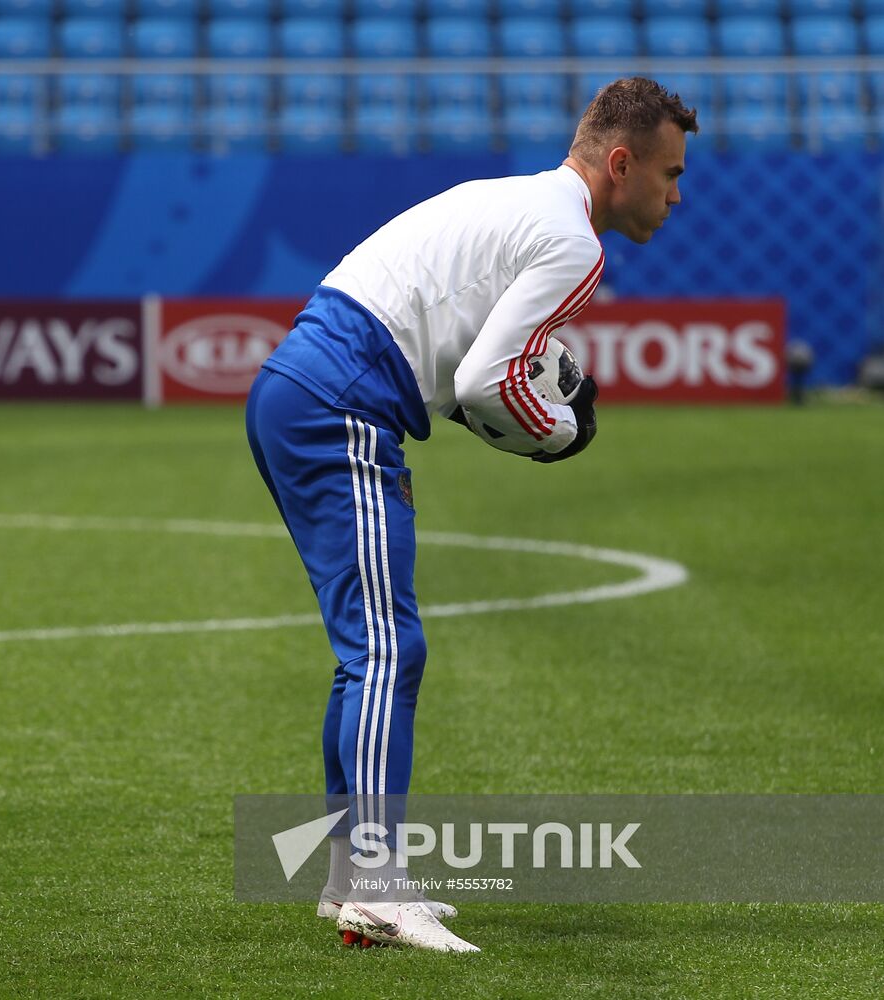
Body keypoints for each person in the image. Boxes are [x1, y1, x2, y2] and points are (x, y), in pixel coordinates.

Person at [245, 78, 697, 953]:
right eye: (669, 173)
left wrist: (517, 401)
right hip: (340, 402)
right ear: (619, 162)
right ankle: (375, 882)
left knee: (367, 649)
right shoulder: (572, 243)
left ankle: (351, 876)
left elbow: (451, 356)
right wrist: (557, 432)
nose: (675, 193)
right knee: (385, 648)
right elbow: (485, 383)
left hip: (303, 386)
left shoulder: (513, 202)